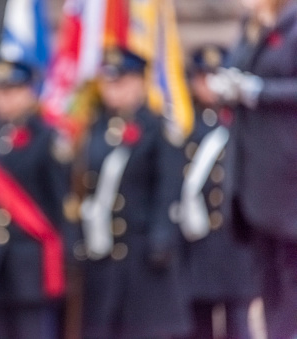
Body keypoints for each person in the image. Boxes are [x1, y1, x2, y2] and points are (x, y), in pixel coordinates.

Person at [76, 47, 191, 338]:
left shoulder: (157, 129)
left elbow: (167, 189)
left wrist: (161, 239)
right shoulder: (95, 130)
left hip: (143, 252)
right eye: (109, 83)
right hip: (103, 253)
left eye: (122, 82)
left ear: (140, 82)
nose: (114, 91)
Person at [0, 59, 74, 339]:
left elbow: (62, 203)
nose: (4, 98)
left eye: (12, 91)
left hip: (29, 264)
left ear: (30, 92)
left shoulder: (47, 138)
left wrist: (68, 255)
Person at [207, 0, 297, 337]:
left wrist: (260, 91)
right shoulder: (252, 24)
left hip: (289, 180)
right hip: (254, 178)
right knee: (267, 280)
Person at [177, 45, 260, 339]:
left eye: (215, 78)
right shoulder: (183, 125)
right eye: (202, 78)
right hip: (197, 243)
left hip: (235, 241)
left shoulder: (245, 122)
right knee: (199, 324)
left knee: (239, 323)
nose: (209, 86)